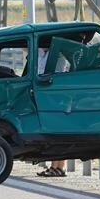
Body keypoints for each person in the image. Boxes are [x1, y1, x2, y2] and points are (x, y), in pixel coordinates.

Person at [34, 45, 67, 177]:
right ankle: (54, 166)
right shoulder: (41, 53)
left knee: (59, 130)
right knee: (52, 132)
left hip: (57, 93)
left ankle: (60, 167)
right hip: (46, 94)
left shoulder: (58, 54)